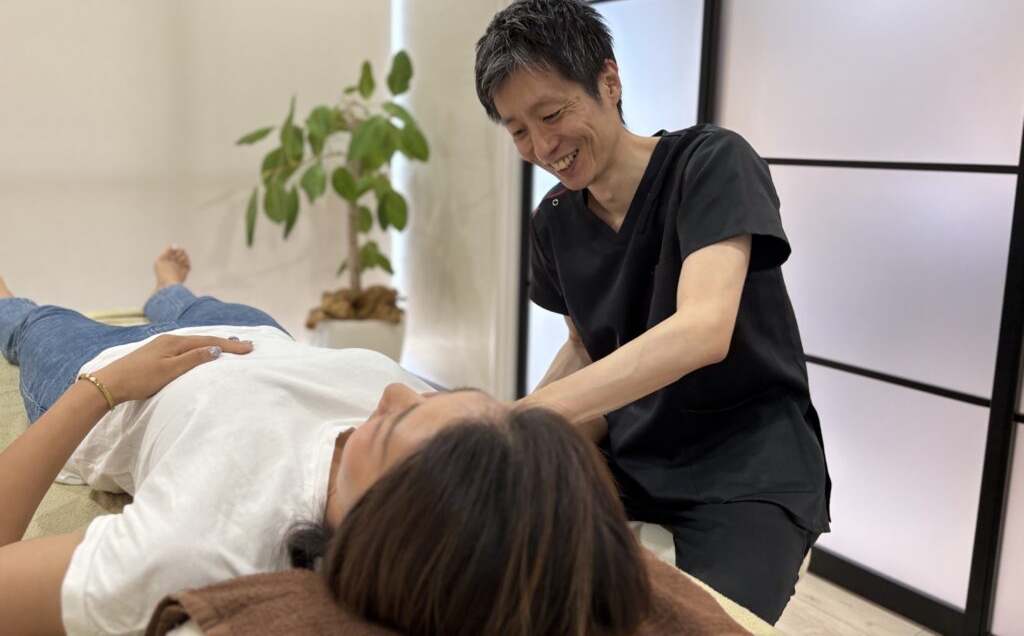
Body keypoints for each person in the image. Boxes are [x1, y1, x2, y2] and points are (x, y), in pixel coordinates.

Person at [0, 248, 650, 636]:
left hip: (115, 367)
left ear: (382, 525)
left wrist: (103, 388)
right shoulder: (465, 454)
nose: (394, 393)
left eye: (388, 427)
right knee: (187, 302)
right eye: (438, 395)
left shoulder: (206, 542)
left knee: (32, 320)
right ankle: (167, 286)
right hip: (263, 336)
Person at [474, 0, 832, 623]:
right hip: (635, 458)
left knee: (698, 624)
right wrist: (510, 445)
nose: (542, 145)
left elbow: (702, 330)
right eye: (518, 131)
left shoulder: (710, 163)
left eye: (551, 113)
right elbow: (586, 347)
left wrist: (525, 415)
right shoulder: (553, 222)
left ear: (608, 82)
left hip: (747, 468)